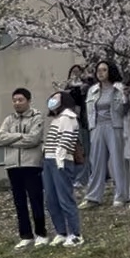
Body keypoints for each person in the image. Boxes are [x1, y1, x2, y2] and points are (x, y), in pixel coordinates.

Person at [0, 88, 50, 249]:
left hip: (31, 164)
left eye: (20, 100)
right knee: (19, 202)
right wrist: (20, 137)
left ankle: (41, 233)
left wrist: (11, 139)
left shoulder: (36, 117)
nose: (17, 103)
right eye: (14, 100)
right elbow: (0, 136)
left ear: (28, 100)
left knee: (35, 199)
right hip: (13, 165)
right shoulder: (9, 119)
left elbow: (34, 139)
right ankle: (25, 235)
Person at [82, 60, 130, 209]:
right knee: (96, 162)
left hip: (114, 125)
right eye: (99, 70)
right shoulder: (93, 90)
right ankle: (93, 196)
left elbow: (125, 108)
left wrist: (124, 96)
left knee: (117, 161)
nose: (101, 73)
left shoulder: (119, 88)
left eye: (104, 70)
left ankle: (121, 195)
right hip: (96, 127)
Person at [43, 91, 84, 248]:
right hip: (49, 160)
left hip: (61, 162)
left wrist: (59, 161)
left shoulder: (68, 117)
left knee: (65, 199)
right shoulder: (56, 119)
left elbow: (66, 140)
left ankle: (75, 234)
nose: (52, 100)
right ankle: (61, 232)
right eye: (51, 97)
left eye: (56, 98)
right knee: (51, 200)